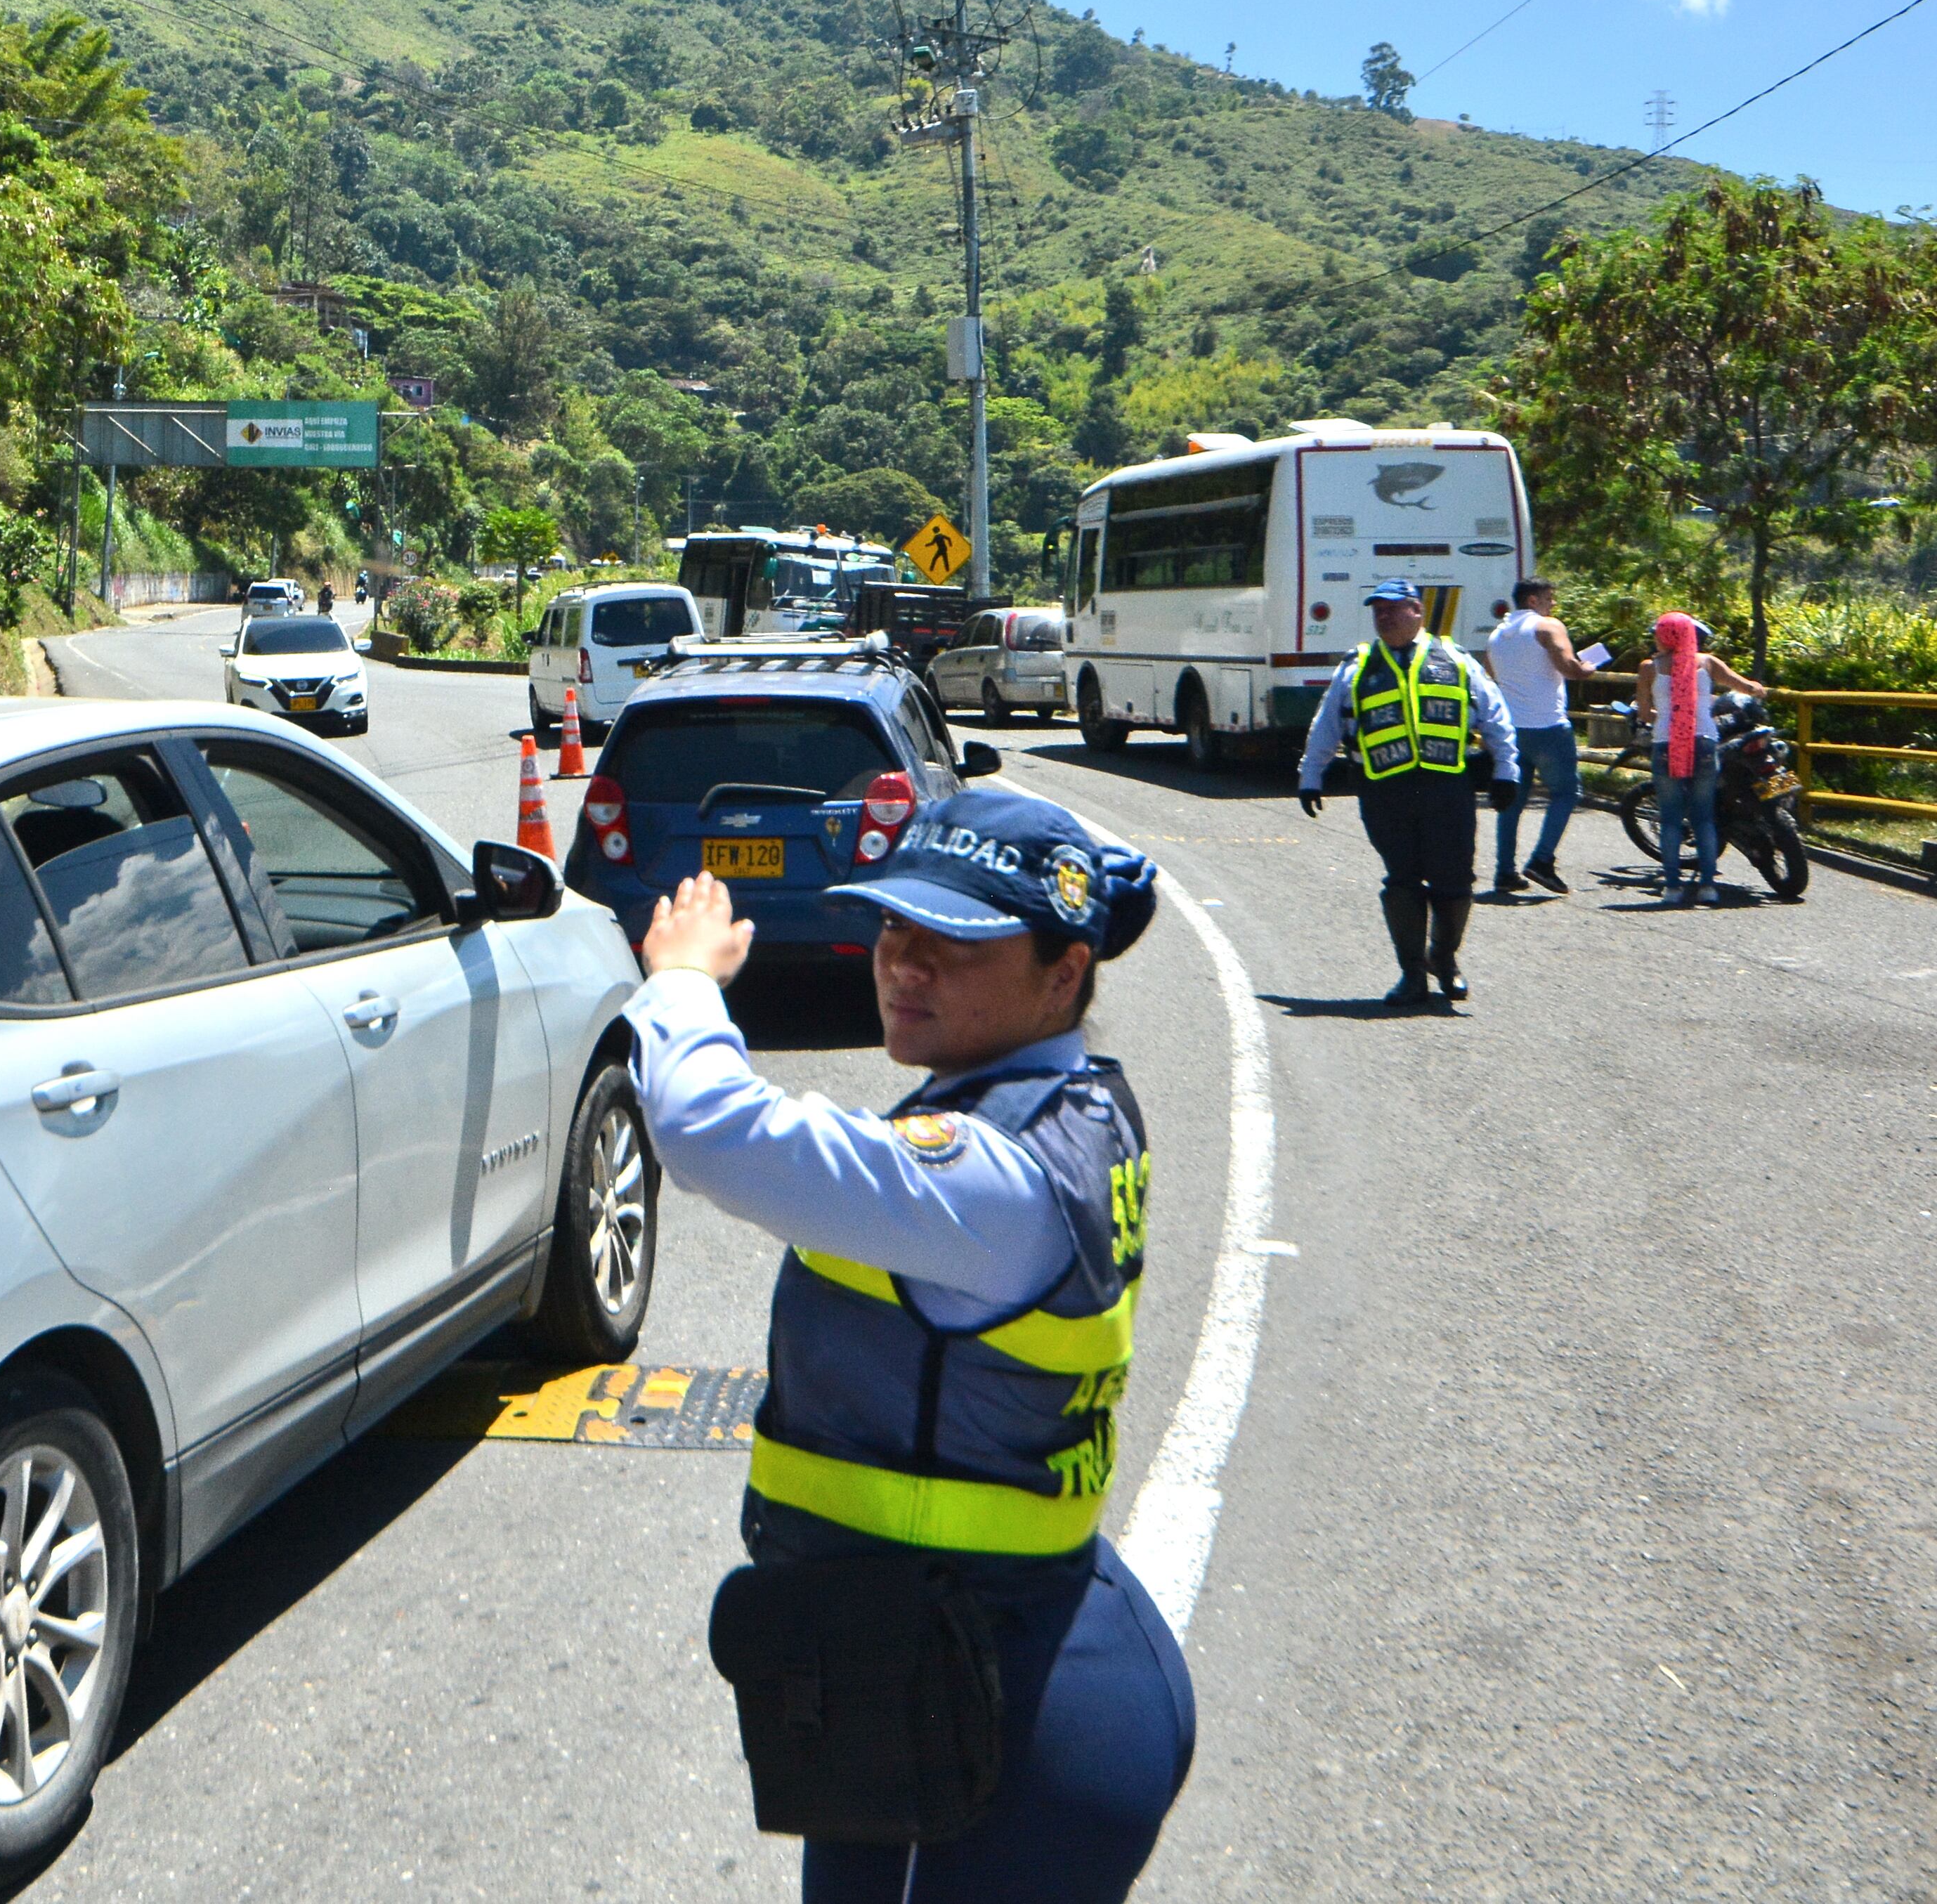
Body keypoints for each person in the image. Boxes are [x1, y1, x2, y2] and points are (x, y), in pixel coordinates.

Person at [628, 792, 1192, 1903]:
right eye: (892, 928)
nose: (903, 964)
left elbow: (705, 1125)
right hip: (947, 1664)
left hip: (989, 1714)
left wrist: (683, 977)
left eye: (954, 943)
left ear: (1064, 972)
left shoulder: (990, 1175)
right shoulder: (1054, 1098)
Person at [1296, 579, 1520, 1006]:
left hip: (1447, 788)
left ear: (1416, 610)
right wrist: (1311, 775)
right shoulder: (1356, 665)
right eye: (1378, 610)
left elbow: (1494, 716)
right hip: (1384, 790)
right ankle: (1412, 974)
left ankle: (1445, 959)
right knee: (1402, 881)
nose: (1383, 616)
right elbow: (1327, 723)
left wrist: (1506, 771)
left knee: (1455, 882)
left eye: (1393, 608)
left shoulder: (1456, 659)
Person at [1634, 612, 1765, 908]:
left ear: (1664, 637)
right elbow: (1746, 687)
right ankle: (1707, 887)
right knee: (1704, 817)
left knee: (1669, 817)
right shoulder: (1707, 663)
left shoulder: (1649, 668)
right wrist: (1758, 689)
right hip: (1704, 742)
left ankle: (1672, 887)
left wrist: (1667, 718)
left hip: (1666, 743)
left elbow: (1644, 713)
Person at [1482, 576, 1588, 896]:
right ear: (1532, 600)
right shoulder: (1547, 627)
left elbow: (1490, 673)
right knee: (1567, 793)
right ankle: (1542, 860)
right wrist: (1586, 668)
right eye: (1548, 597)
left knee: (1512, 801)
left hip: (1512, 730)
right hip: (1548, 727)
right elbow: (1569, 666)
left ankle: (1504, 872)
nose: (1552, 604)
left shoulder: (1497, 635)